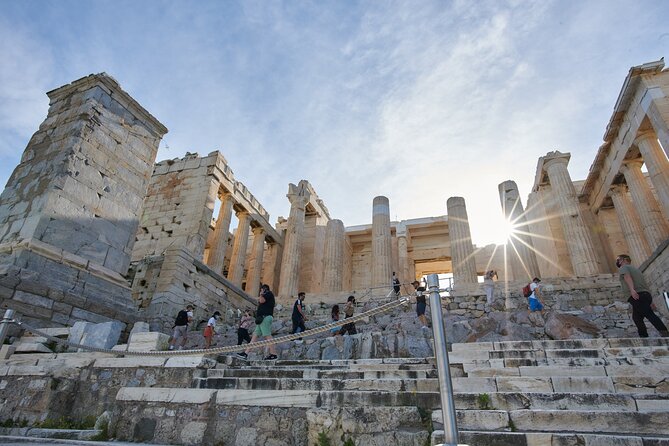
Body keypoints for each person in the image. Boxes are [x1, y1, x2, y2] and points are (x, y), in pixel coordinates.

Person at [616, 254, 668, 338]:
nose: (617, 262)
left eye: (619, 260)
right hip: (645, 294)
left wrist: (632, 290)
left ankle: (665, 334)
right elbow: (644, 284)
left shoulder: (624, 268)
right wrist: (651, 300)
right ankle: (643, 336)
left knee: (649, 314)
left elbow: (627, 277)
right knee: (637, 318)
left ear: (624, 260)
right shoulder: (637, 270)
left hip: (637, 295)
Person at [239, 284, 277, 360]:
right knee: (254, 336)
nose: (260, 291)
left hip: (265, 318)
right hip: (261, 319)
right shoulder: (265, 295)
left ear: (264, 289)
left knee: (267, 335)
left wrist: (261, 294)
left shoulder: (269, 294)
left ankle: (273, 354)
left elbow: (262, 300)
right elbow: (260, 301)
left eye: (261, 290)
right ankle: (246, 353)